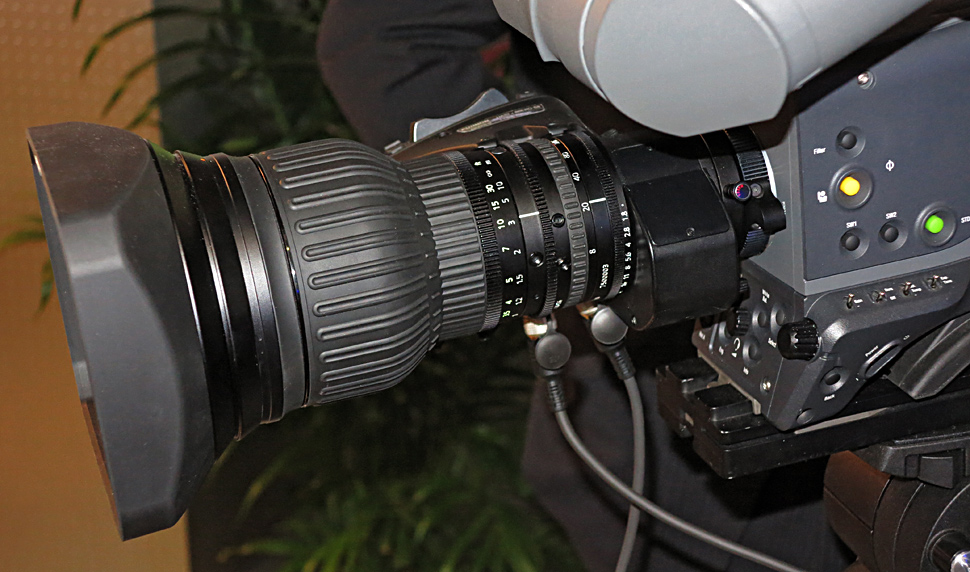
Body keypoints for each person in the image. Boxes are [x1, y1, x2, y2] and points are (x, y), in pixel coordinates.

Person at [317, 2, 854, 570]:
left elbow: (375, 43)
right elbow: (378, 43)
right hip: (684, 373)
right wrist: (563, 202)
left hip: (744, 379)